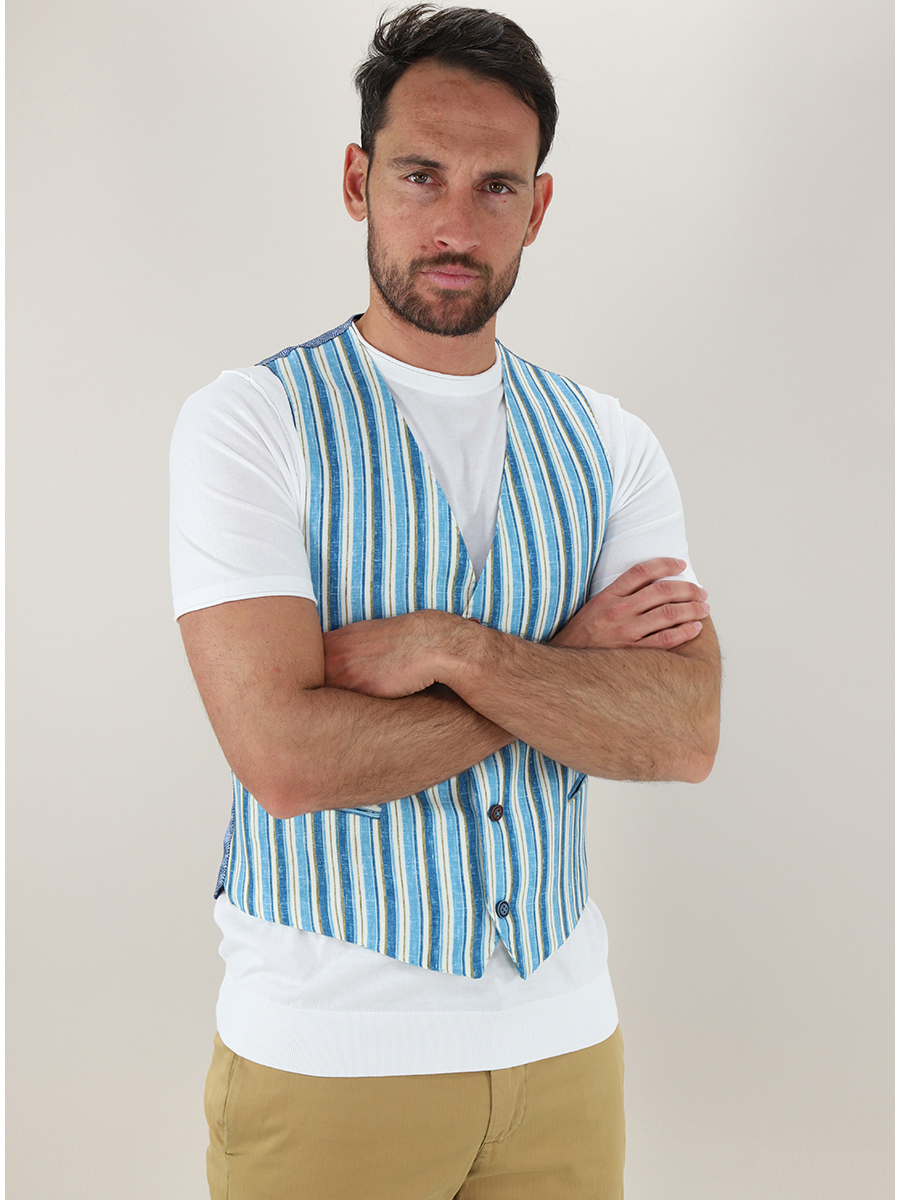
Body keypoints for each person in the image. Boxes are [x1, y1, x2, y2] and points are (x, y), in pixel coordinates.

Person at [169, 5, 721, 1197]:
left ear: (540, 206)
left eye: (497, 186)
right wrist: (570, 663)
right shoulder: (253, 424)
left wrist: (451, 648)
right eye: (422, 175)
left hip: (568, 1051)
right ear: (358, 181)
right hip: (328, 1060)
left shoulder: (609, 441)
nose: (458, 225)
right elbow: (285, 760)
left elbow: (682, 733)